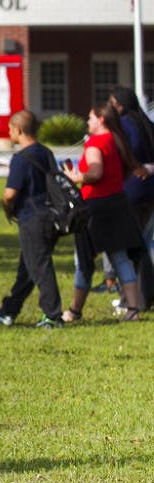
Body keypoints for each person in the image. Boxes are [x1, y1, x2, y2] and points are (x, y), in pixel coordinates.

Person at [61, 104, 146, 322]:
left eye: (90, 118)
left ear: (101, 119)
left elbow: (96, 171)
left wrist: (76, 177)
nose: (87, 122)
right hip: (117, 203)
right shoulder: (117, 140)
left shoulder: (95, 142)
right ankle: (133, 309)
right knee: (120, 258)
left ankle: (74, 310)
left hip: (95, 207)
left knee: (83, 260)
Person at [0, 110, 64, 328]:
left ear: (19, 130)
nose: (9, 132)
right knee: (28, 267)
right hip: (51, 215)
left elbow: (10, 193)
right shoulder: (46, 153)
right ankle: (9, 310)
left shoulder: (21, 159)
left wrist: (7, 209)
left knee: (39, 267)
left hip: (32, 218)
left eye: (11, 128)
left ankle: (52, 315)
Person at [108, 86, 154, 309]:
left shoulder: (126, 125)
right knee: (142, 244)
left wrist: (131, 165)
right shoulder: (145, 123)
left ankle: (134, 299)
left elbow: (129, 150)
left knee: (131, 248)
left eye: (112, 102)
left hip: (133, 192)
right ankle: (145, 295)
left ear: (120, 105)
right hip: (149, 192)